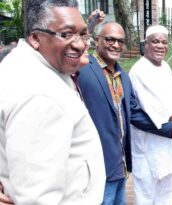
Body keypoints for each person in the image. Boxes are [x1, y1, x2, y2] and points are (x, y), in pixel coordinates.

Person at [0, 0, 106, 204]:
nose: (80, 44)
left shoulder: (29, 65)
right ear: (35, 38)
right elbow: (38, 199)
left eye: (83, 34)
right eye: (66, 34)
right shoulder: (41, 95)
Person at [77, 21, 172, 205]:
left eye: (120, 41)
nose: (116, 45)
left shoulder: (123, 75)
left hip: (120, 165)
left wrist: (171, 129)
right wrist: (86, 30)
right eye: (110, 39)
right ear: (97, 40)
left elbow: (135, 114)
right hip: (96, 166)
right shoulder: (83, 69)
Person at [129, 25, 172, 205]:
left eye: (164, 42)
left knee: (166, 193)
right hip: (147, 143)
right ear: (145, 44)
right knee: (146, 196)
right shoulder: (139, 70)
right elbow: (157, 108)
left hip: (167, 143)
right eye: (155, 41)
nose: (160, 46)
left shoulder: (164, 66)